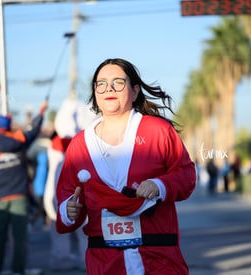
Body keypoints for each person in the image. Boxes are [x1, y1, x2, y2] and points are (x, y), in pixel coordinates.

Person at [55, 58, 196, 274]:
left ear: (135, 90)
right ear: (95, 92)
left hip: (158, 258)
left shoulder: (158, 131)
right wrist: (69, 210)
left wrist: (160, 185)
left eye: (118, 82)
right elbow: (67, 195)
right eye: (101, 84)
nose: (109, 88)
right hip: (105, 262)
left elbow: (186, 175)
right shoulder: (79, 145)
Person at [0, 100, 48, 275]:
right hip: (19, 198)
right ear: (8, 127)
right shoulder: (20, 141)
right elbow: (34, 130)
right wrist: (41, 112)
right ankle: (18, 271)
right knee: (20, 239)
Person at [43, 132, 86, 270]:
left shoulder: (60, 163)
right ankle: (83, 260)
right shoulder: (75, 161)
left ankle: (62, 258)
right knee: (84, 233)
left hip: (60, 202)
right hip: (73, 202)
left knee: (61, 234)